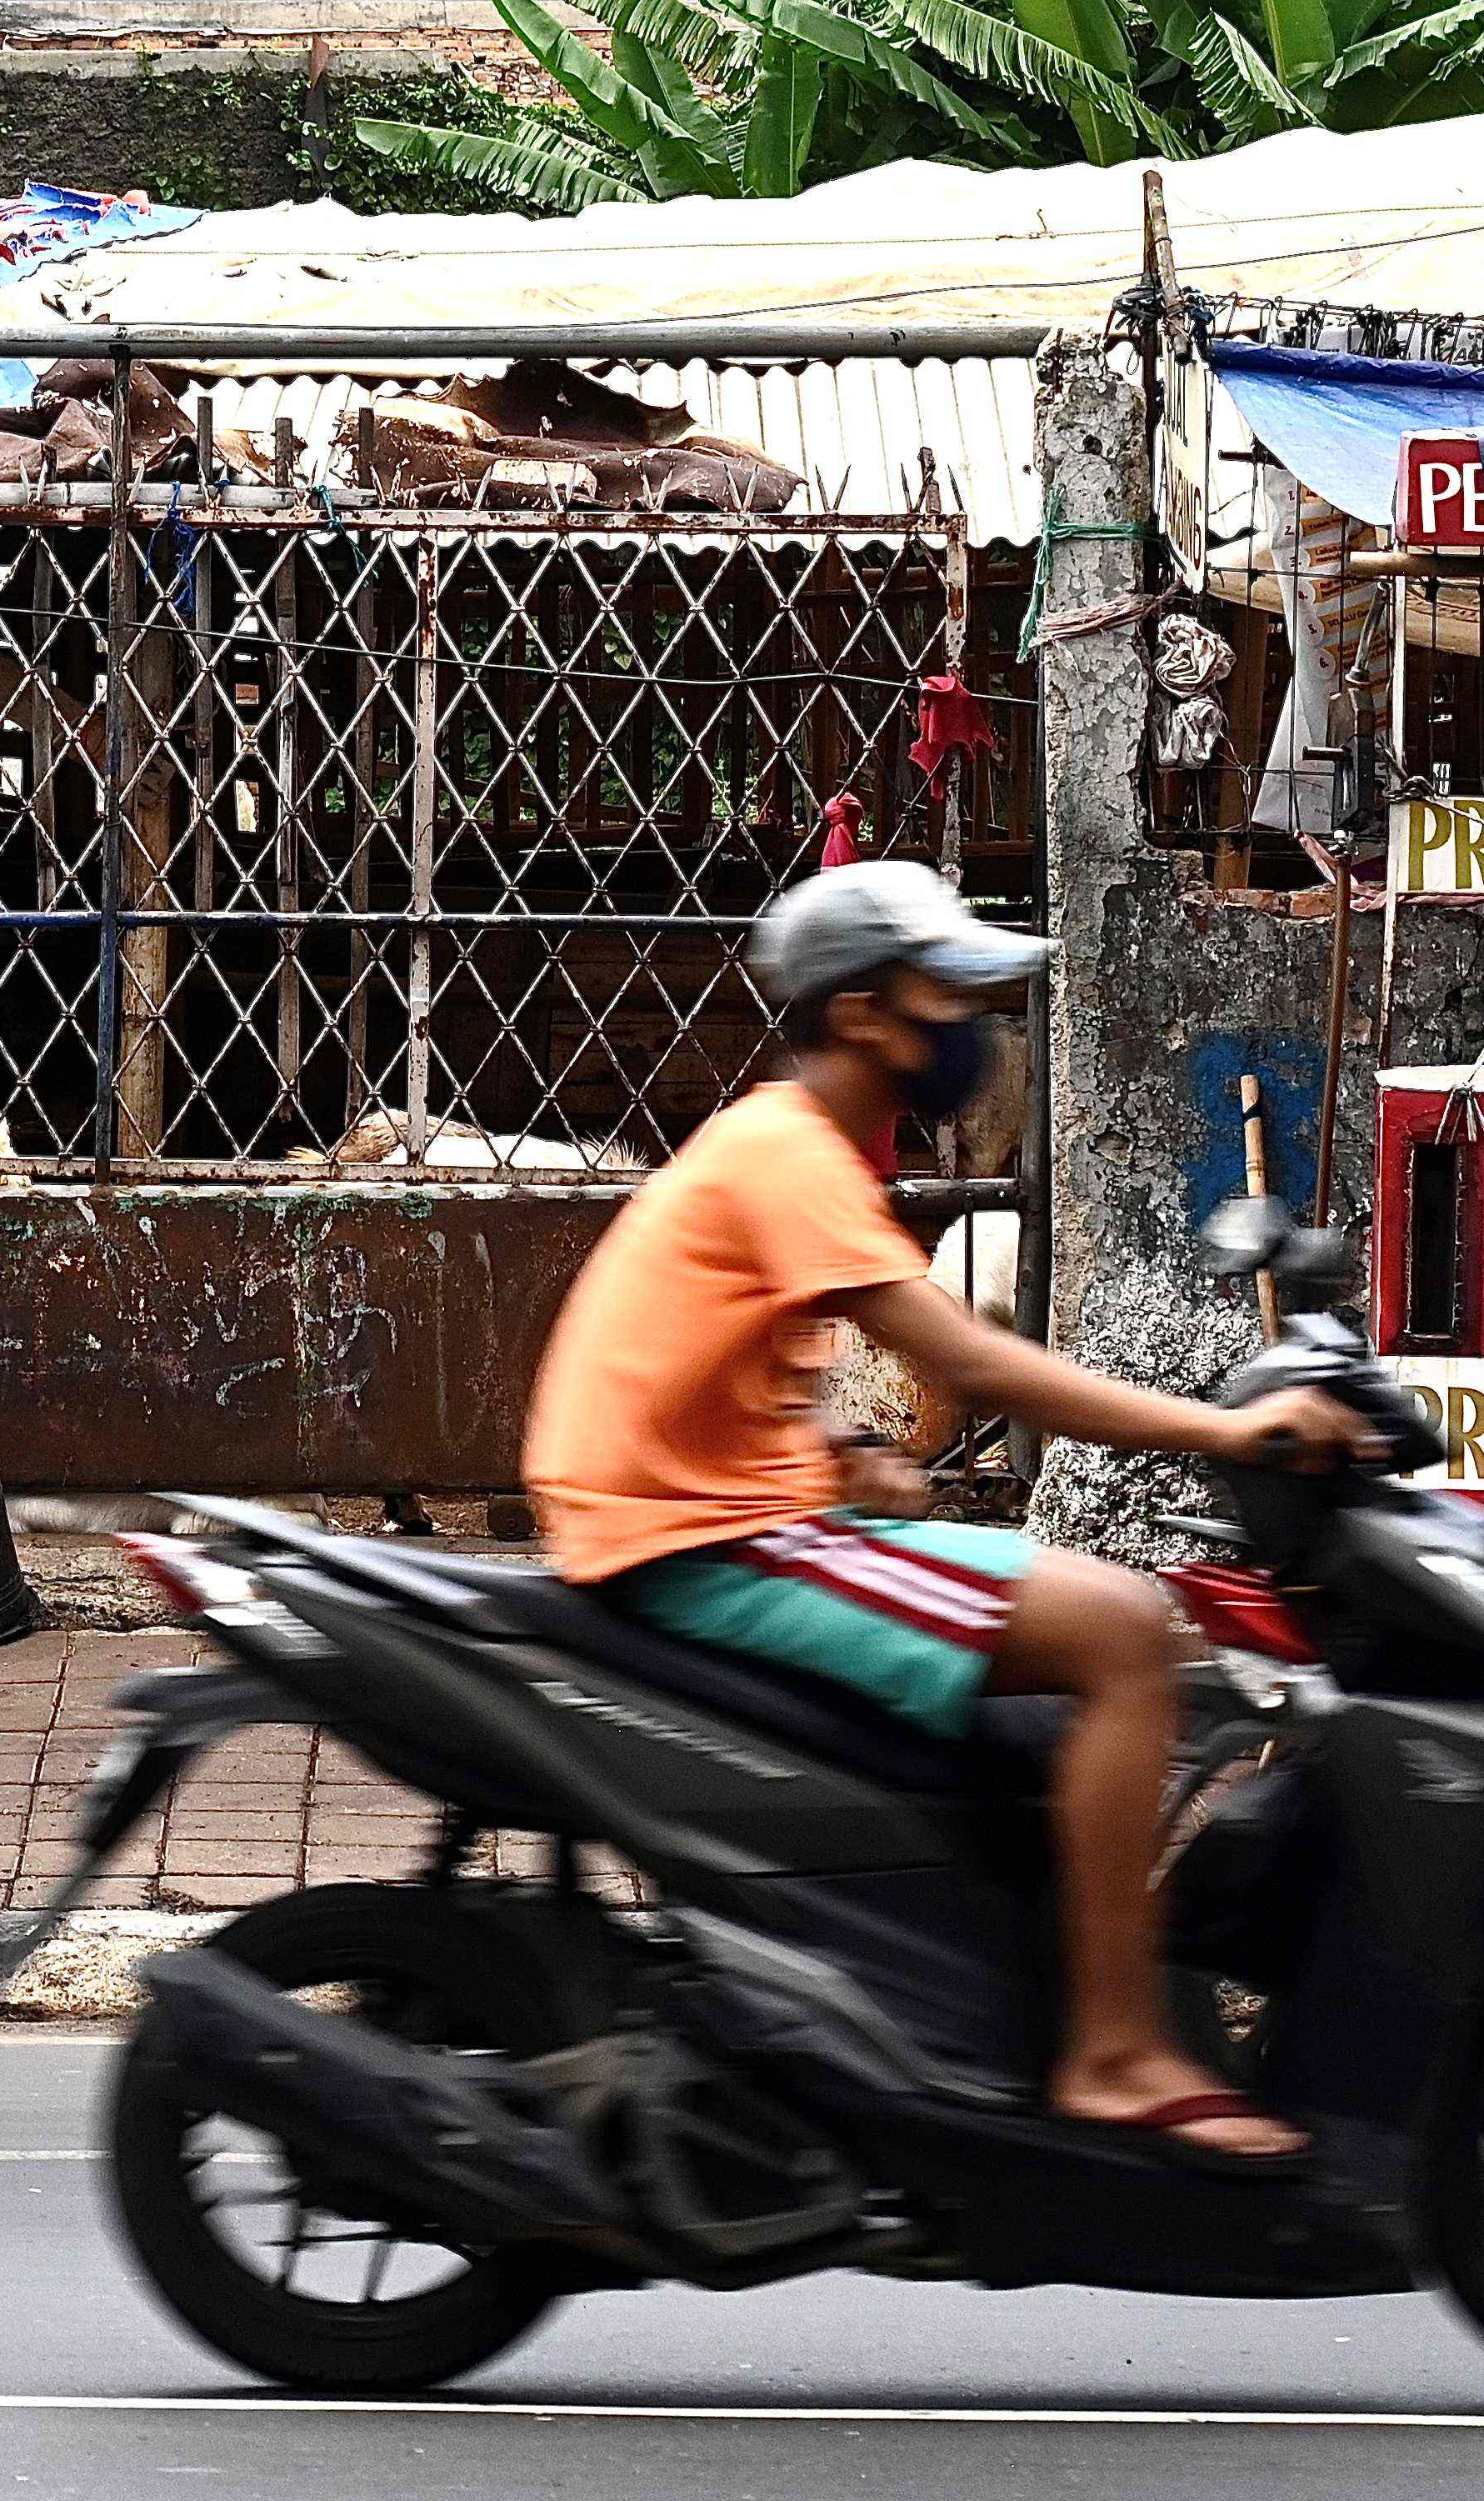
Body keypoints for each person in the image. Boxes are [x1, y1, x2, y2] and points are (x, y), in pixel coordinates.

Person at [522, 861, 1362, 2162]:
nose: (974, 1021)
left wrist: (830, 1439)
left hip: (715, 1513)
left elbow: (702, 1354)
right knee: (1126, 1633)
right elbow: (972, 1365)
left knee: (1056, 1666)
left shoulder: (788, 1144)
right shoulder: (789, 1153)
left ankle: (997, 2006)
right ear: (863, 1013)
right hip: (700, 1548)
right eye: (949, 992)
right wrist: (1223, 1425)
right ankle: (1111, 2053)